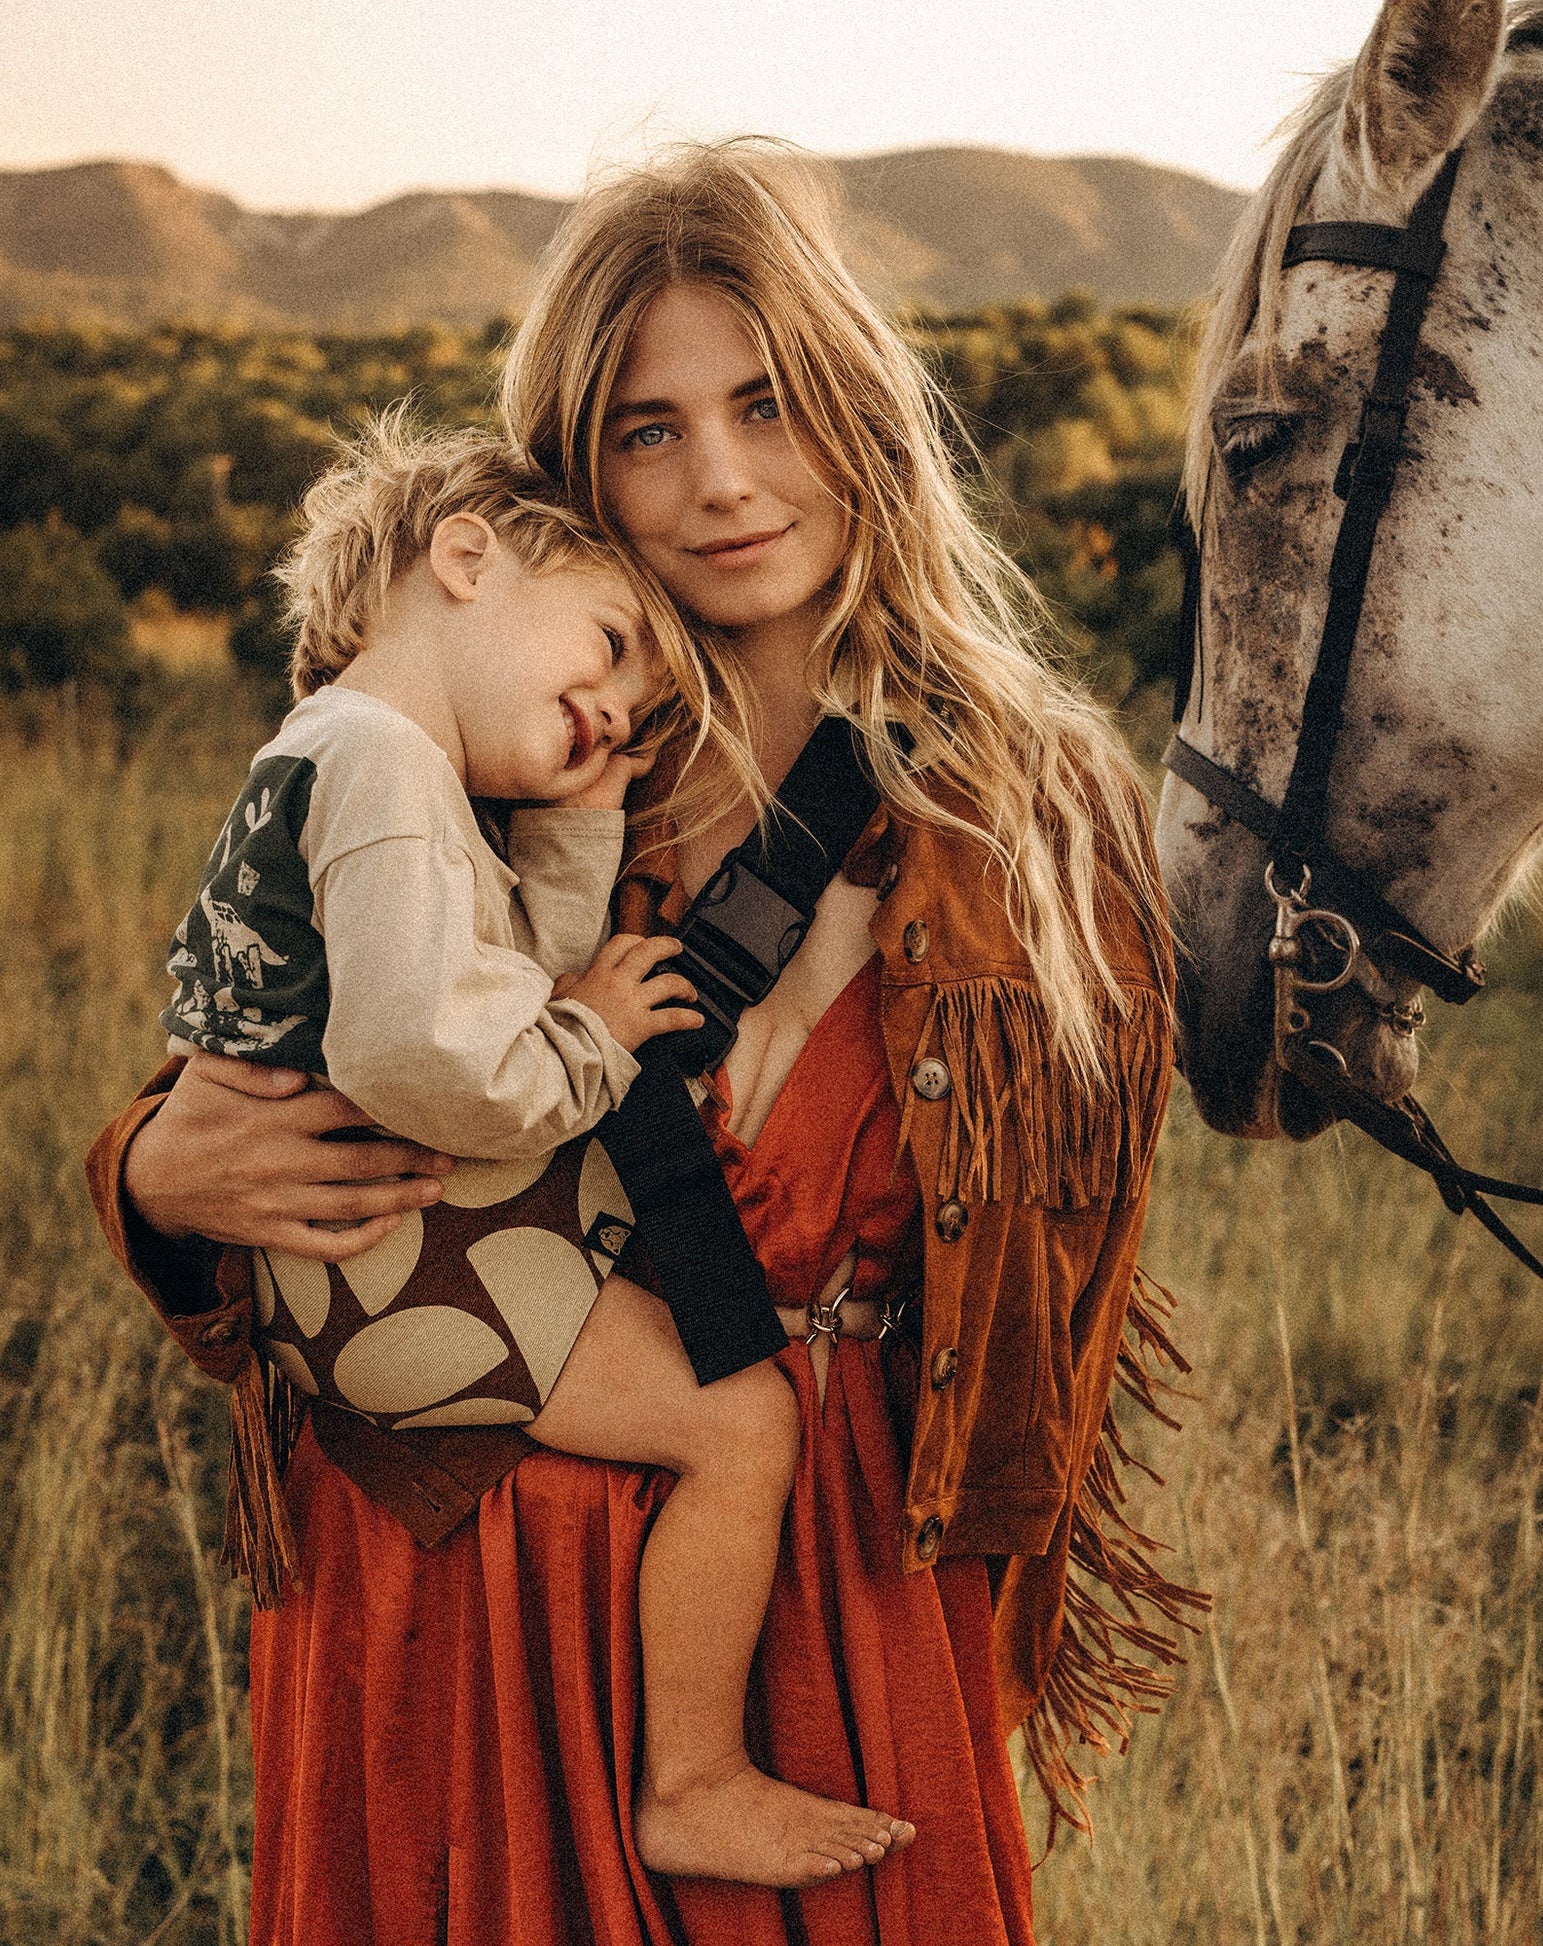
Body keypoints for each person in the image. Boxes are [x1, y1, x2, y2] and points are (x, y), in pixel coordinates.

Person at [88, 138, 1195, 1946]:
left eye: (766, 403)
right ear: (567, 479)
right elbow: (261, 1061)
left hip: (828, 1566)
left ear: (857, 411)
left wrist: (967, 1617)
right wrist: (150, 1173)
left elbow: (1071, 1285)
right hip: (451, 1569)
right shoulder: (483, 750)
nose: (724, 482)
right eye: (646, 430)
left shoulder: (1041, 803)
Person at [158, 413, 913, 1889]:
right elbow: (421, 1056)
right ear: (464, 557)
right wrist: (593, 1039)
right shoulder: (377, 762)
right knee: (743, 1425)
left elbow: (487, 974)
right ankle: (687, 1775)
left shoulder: (371, 762)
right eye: (616, 642)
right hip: (402, 1266)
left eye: (642, 706)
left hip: (371, 1271)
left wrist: (575, 822)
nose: (623, 706)